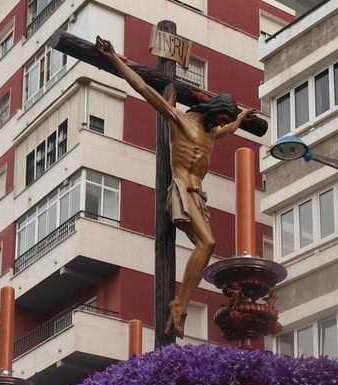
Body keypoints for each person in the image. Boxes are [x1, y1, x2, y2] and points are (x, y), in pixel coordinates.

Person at [96, 35, 252, 337]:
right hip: (180, 191)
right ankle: (179, 306)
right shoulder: (181, 121)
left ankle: (180, 305)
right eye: (220, 117)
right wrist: (113, 58)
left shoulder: (212, 133)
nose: (221, 123)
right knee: (208, 243)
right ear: (212, 110)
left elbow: (230, 130)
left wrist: (242, 118)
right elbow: (143, 88)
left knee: (206, 245)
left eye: (224, 120)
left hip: (198, 196)